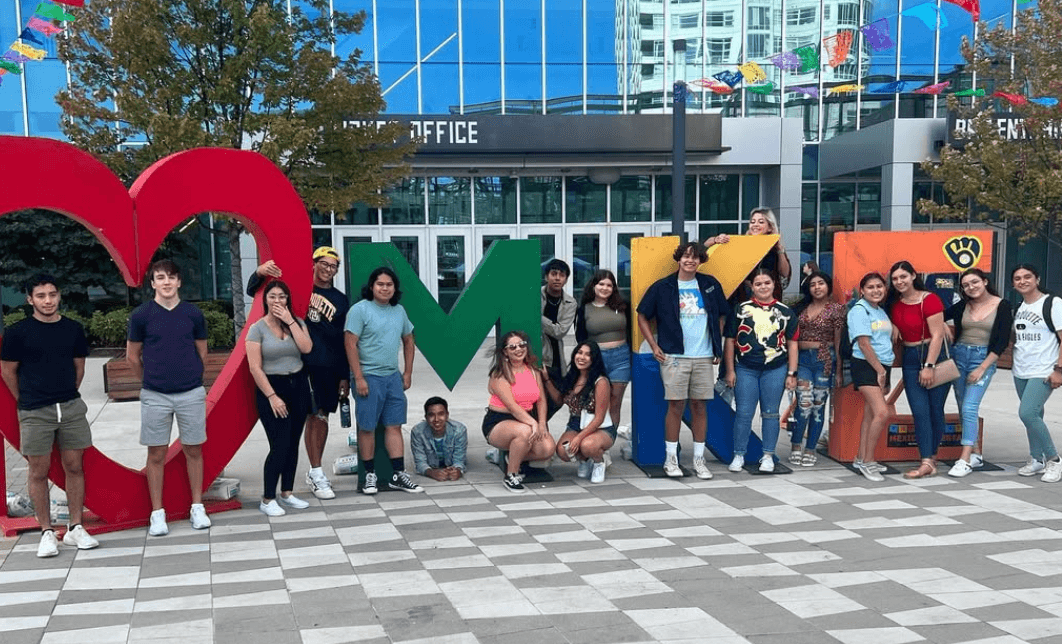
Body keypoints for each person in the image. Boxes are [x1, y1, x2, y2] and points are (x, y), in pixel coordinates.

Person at [0, 274, 100, 557]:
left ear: (59, 296)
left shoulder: (72, 329)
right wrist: (27, 399)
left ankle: (75, 527)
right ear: (30, 299)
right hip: (35, 410)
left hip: (69, 407)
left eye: (52, 294)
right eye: (41, 296)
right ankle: (46, 532)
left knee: (74, 466)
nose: (48, 300)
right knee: (38, 471)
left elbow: (79, 368)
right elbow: (7, 370)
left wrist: (65, 392)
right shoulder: (18, 332)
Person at [247, 246, 349, 501]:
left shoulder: (340, 299)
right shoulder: (297, 288)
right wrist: (259, 272)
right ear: (313, 264)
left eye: (333, 266)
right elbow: (255, 291)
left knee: (321, 417)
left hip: (327, 366)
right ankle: (282, 487)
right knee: (292, 429)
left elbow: (341, 340)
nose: (328, 270)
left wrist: (344, 375)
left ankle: (314, 473)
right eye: (323, 264)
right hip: (297, 367)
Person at [127, 259, 211, 536]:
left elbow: (202, 352)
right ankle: (157, 513)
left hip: (190, 392)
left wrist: (190, 377)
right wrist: (151, 381)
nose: (166, 282)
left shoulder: (192, 314)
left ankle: (197, 507)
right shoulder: (141, 315)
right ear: (152, 283)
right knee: (156, 453)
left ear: (179, 282)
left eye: (171, 277)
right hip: (155, 394)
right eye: (160, 278)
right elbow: (132, 356)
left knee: (194, 450)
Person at [637, 241, 729, 479]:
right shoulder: (663, 286)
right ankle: (670, 459)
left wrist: (715, 343)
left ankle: (699, 459)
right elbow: (642, 315)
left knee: (700, 405)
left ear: (701, 261)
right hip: (674, 356)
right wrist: (655, 346)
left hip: (703, 356)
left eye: (695, 257)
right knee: (676, 406)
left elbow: (721, 314)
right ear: (679, 259)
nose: (690, 261)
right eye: (686, 256)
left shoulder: (709, 284)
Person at [344, 266, 422, 494]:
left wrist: (407, 373)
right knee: (367, 428)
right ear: (371, 286)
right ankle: (369, 475)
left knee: (394, 425)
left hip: (392, 377)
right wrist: (358, 377)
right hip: (368, 376)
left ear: (395, 288)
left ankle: (398, 474)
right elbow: (350, 344)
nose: (385, 288)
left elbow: (409, 340)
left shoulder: (399, 311)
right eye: (380, 284)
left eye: (389, 284)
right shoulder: (360, 310)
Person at [246, 280, 314, 516]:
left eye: (282, 297)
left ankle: (287, 492)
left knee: (293, 443)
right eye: (273, 296)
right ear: (265, 299)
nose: (277, 301)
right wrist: (272, 396)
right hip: (272, 389)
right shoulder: (257, 328)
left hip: (298, 386)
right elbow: (255, 368)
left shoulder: (296, 323)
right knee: (280, 443)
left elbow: (306, 348)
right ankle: (267, 498)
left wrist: (290, 320)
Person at [724, 268, 798, 473]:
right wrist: (730, 370)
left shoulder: (785, 312)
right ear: (752, 287)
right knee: (743, 413)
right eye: (758, 284)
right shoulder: (740, 309)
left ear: (774, 284)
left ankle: (768, 455)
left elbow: (792, 344)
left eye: (767, 282)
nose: (763, 287)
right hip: (745, 368)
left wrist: (792, 373)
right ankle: (739, 454)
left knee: (771, 413)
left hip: (775, 368)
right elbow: (729, 341)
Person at [943, 268, 1012, 478]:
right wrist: (944, 327)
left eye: (974, 282)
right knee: (964, 407)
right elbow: (938, 316)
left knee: (970, 406)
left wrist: (982, 368)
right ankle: (977, 454)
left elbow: (1001, 342)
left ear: (984, 281)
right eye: (965, 285)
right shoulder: (964, 305)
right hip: (959, 355)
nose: (970, 287)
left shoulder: (1002, 305)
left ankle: (964, 459)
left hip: (983, 359)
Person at [887, 260, 948, 479]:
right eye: (895, 279)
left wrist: (930, 366)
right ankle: (927, 460)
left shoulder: (929, 299)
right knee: (919, 411)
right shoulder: (895, 304)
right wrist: (893, 326)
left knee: (935, 409)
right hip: (911, 358)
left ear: (913, 275)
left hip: (934, 355)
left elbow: (938, 334)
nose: (899, 281)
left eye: (903, 276)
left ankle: (930, 459)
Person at [482, 330, 556, 493]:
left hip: (527, 418)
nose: (518, 349)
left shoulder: (533, 370)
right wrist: (533, 423)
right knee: (525, 431)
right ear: (505, 352)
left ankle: (511, 455)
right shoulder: (499, 374)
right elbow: (513, 408)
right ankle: (511, 475)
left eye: (521, 345)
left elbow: (541, 400)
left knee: (547, 448)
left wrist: (542, 423)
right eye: (512, 347)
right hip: (499, 421)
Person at [1010, 264, 1062, 481]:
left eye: (1027, 277)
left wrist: (1059, 369)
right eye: (1017, 278)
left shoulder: (1053, 303)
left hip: (1044, 369)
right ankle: (1036, 459)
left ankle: (1054, 460)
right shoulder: (1019, 307)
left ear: (1037, 279)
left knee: (1027, 413)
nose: (1022, 281)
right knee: (1035, 415)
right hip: (1021, 369)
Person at [789, 270, 845, 466]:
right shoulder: (800, 308)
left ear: (827, 285)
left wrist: (838, 370)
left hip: (825, 360)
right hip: (803, 360)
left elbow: (838, 341)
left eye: (821, 283)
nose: (817, 287)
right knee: (804, 403)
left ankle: (811, 448)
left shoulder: (836, 309)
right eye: (813, 284)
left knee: (818, 407)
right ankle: (796, 443)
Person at [542, 342, 615, 483]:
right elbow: (559, 400)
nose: (582, 357)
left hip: (600, 426)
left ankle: (599, 461)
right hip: (576, 422)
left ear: (594, 359)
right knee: (563, 451)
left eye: (588, 354)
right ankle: (585, 460)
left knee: (587, 445)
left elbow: (599, 418)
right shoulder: (573, 376)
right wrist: (546, 379)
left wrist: (579, 438)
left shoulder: (601, 381)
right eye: (579, 352)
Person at [848, 272, 894, 482]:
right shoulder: (859, 311)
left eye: (879, 286)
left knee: (870, 415)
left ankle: (860, 457)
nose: (876, 290)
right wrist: (880, 371)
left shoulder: (880, 311)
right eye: (870, 287)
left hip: (882, 364)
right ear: (863, 290)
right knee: (882, 413)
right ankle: (868, 462)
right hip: (867, 365)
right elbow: (864, 344)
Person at [574, 269, 631, 430]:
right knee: (597, 402)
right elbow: (581, 338)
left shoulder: (622, 306)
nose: (605, 288)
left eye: (609, 285)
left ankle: (607, 443)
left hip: (621, 358)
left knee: (615, 402)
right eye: (601, 284)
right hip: (597, 359)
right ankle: (595, 444)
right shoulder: (584, 308)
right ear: (594, 285)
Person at [705, 207, 792, 302]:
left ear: (770, 227)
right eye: (753, 222)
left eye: (761, 222)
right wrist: (716, 239)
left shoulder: (775, 248)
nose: (755, 225)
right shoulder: (741, 243)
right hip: (744, 297)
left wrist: (780, 250)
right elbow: (706, 244)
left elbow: (785, 273)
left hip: (768, 298)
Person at [410, 397, 468, 481]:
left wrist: (457, 470)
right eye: (431, 415)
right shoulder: (418, 432)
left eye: (441, 414)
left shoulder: (459, 430)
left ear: (447, 415)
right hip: (432, 466)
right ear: (426, 417)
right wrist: (431, 473)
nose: (436, 419)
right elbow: (420, 463)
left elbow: (459, 459)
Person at [541, 259, 577, 384]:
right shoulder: (534, 296)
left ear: (566, 280)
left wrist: (536, 316)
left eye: (562, 275)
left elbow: (559, 332)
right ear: (546, 277)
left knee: (555, 400)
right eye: (554, 274)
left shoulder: (570, 303)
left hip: (554, 356)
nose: (557, 278)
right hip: (533, 351)